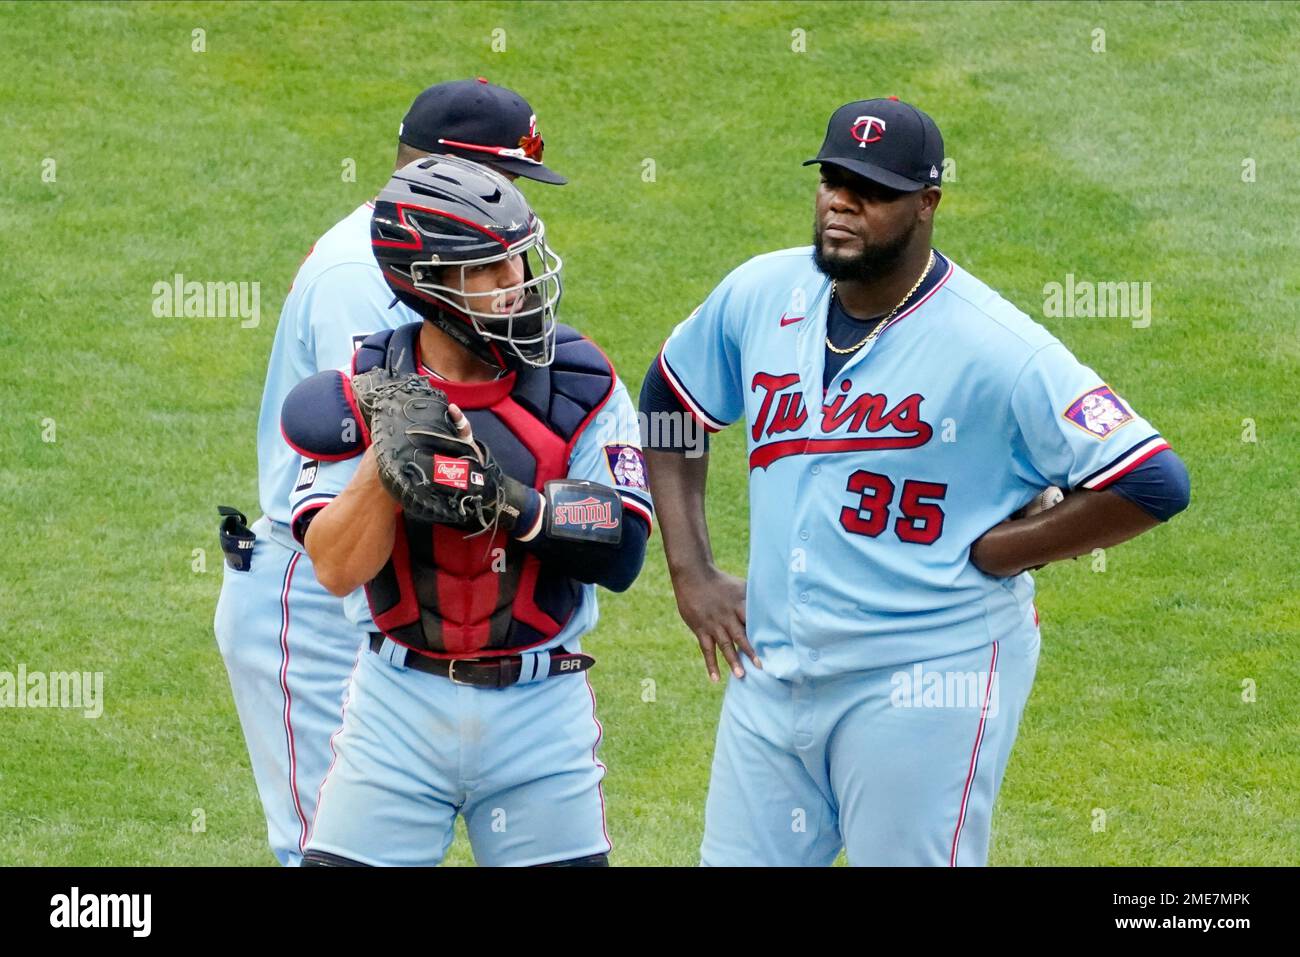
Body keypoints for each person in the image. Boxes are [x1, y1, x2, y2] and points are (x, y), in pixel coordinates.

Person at [638, 97, 1190, 866]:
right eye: (832, 178)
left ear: (928, 203)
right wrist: (690, 569)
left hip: (926, 678)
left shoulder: (995, 346)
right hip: (773, 674)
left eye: (872, 188)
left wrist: (1008, 550)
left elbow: (1152, 479)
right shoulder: (762, 295)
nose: (841, 201)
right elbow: (672, 399)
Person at [213, 78, 567, 866]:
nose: (514, 208)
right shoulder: (363, 277)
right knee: (324, 849)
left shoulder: (445, 264)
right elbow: (400, 458)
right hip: (315, 591)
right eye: (504, 181)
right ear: (450, 172)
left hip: (395, 590)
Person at [280, 155, 653, 866]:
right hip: (395, 706)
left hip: (541, 714)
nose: (516, 284)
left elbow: (623, 546)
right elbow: (334, 565)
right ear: (428, 281)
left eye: (519, 258)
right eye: (489, 268)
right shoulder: (364, 386)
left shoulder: (581, 381)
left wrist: (503, 498)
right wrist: (389, 464)